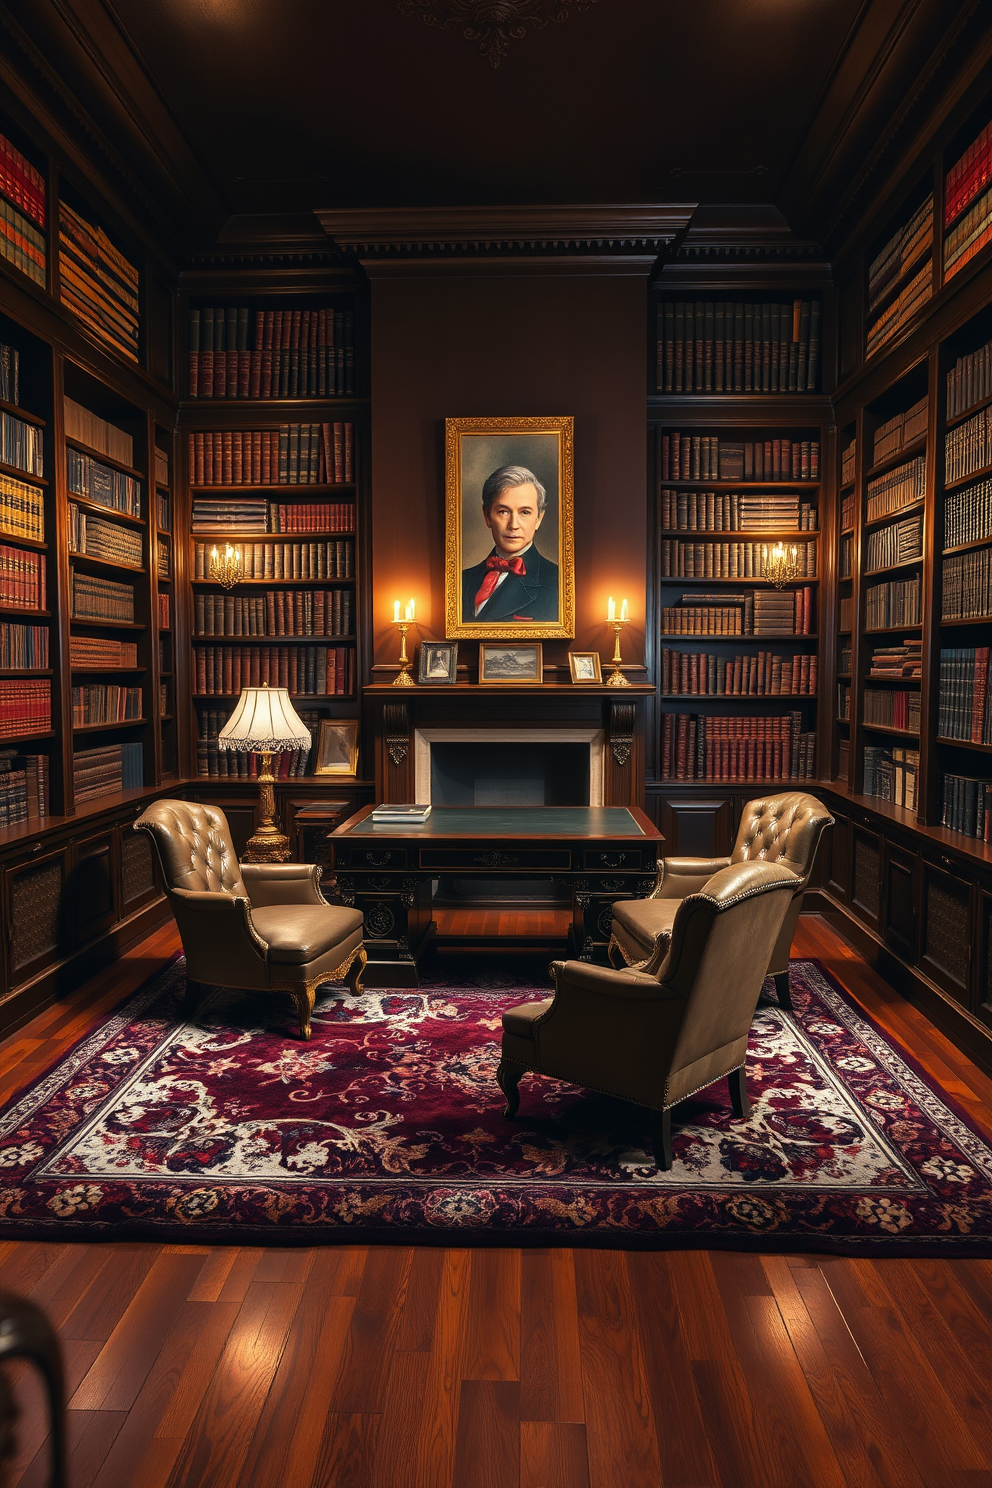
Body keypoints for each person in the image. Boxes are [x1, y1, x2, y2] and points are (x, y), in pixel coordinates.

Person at [461, 465, 559, 622]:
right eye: (503, 512)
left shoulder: (557, 581)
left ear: (539, 519)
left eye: (525, 512)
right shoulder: (462, 580)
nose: (513, 524)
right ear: (487, 516)